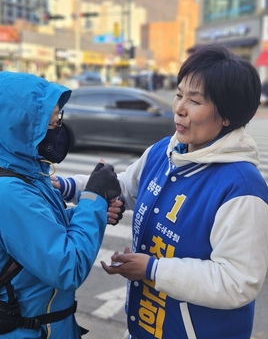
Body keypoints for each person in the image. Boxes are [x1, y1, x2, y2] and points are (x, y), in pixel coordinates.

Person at [54, 45, 268, 339]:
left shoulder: (242, 186)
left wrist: (153, 269)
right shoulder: (163, 151)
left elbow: (238, 281)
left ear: (228, 116)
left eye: (195, 101)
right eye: (179, 95)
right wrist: (67, 187)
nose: (179, 108)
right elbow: (127, 187)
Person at [0, 71, 122, 339]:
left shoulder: (25, 171)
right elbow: (67, 266)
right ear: (21, 126)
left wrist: (91, 211)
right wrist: (94, 197)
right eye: (51, 123)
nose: (58, 127)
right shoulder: (8, 192)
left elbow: (46, 226)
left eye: (57, 119)